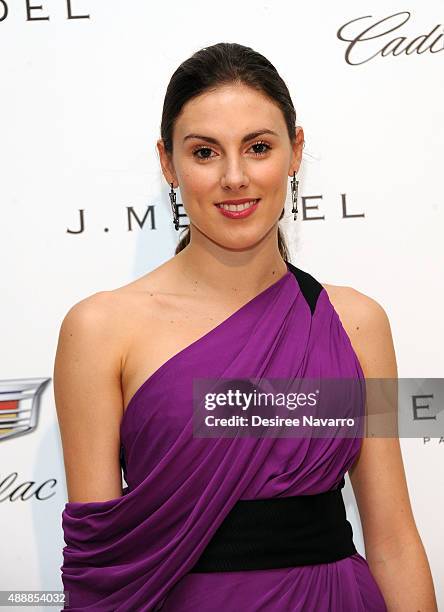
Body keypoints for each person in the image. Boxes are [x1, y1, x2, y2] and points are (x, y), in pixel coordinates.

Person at [54, 42, 437, 611]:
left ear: (295, 150)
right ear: (168, 164)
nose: (235, 177)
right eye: (205, 152)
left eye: (258, 147)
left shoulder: (355, 323)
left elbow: (394, 540)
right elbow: (103, 568)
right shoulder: (101, 330)